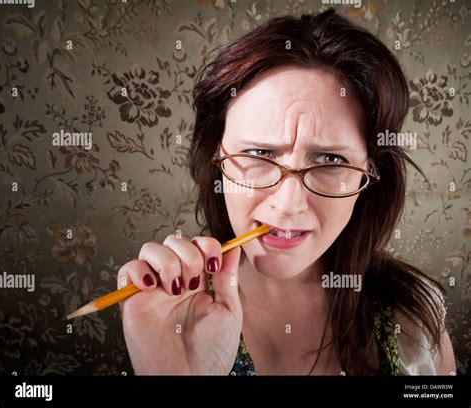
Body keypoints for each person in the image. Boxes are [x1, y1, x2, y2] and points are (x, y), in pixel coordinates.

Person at [117, 9, 456, 375]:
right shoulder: (170, 316)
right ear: (216, 156)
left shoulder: (415, 317)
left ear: (370, 175)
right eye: (259, 153)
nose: (289, 203)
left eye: (330, 159)